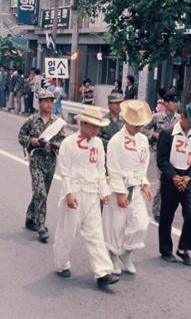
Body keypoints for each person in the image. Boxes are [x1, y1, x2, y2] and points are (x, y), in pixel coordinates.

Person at [53, 106, 120, 288]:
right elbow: (64, 171)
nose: (97, 130)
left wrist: (104, 191)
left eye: (98, 126)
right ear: (82, 124)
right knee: (67, 232)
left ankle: (102, 272)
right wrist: (68, 193)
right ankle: (61, 263)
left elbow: (100, 170)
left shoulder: (98, 144)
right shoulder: (68, 143)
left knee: (95, 233)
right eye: (93, 126)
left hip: (91, 195)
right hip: (74, 194)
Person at [103, 100, 153, 275]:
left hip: (136, 187)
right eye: (135, 124)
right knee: (116, 225)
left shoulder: (143, 140)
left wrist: (145, 183)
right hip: (120, 187)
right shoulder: (116, 141)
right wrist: (119, 192)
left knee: (141, 223)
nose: (138, 128)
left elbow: (143, 165)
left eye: (141, 124)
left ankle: (126, 253)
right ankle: (113, 256)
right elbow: (113, 168)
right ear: (127, 121)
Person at [157, 103, 191, 266]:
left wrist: (188, 178)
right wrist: (174, 177)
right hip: (171, 180)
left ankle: (184, 247)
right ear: (182, 116)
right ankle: (165, 249)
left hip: (187, 181)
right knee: (167, 217)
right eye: (189, 121)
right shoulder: (168, 134)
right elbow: (161, 160)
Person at [19, 89, 66, 243]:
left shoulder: (57, 123)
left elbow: (63, 142)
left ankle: (30, 217)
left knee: (41, 191)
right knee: (41, 192)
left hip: (50, 161)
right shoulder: (32, 120)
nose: (49, 104)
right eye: (46, 101)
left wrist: (53, 145)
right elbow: (21, 136)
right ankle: (41, 226)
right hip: (36, 160)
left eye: (51, 101)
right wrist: (31, 141)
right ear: (39, 103)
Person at [144, 93, 180, 222]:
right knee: (162, 180)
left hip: (174, 153)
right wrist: (153, 134)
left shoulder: (179, 119)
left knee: (170, 181)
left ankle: (166, 208)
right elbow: (144, 129)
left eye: (177, 102)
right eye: (173, 102)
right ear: (166, 103)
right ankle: (157, 210)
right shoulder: (156, 117)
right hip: (159, 151)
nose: (175, 104)